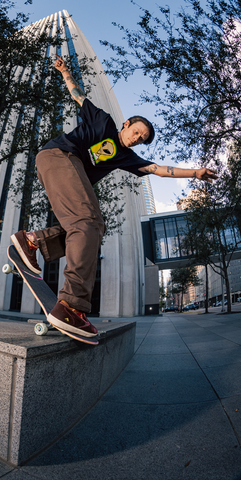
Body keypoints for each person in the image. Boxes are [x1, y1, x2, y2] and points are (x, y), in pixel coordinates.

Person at [11, 54, 217, 338]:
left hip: (64, 168)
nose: (136, 139)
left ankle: (32, 241)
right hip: (59, 156)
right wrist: (65, 72)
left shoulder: (127, 157)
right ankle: (70, 305)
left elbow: (159, 169)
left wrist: (195, 173)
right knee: (86, 221)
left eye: (141, 139)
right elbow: (78, 95)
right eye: (136, 132)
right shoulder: (103, 120)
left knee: (93, 226)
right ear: (126, 124)